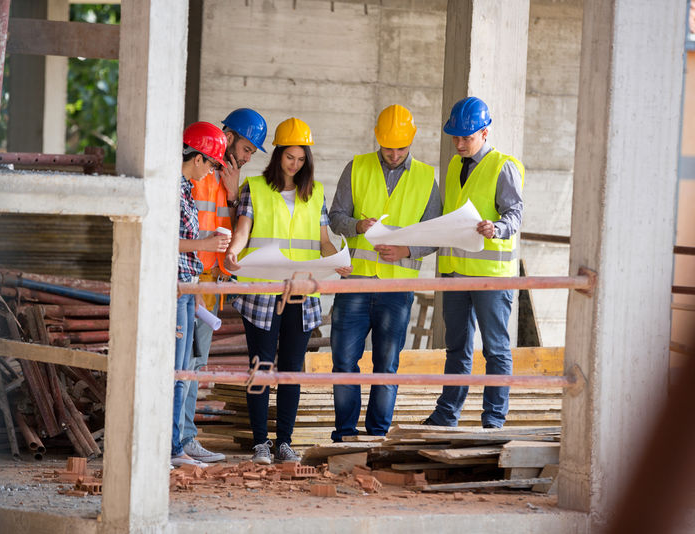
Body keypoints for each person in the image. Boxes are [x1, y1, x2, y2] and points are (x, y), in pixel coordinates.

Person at [225, 118, 352, 464]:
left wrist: (338, 259)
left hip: (301, 292)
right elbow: (244, 228)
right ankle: (260, 443)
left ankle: (284, 442)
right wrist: (234, 251)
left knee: (293, 368)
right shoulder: (255, 187)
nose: (294, 164)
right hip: (262, 293)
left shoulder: (316, 194)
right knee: (261, 366)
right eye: (289, 157)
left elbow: (324, 242)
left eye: (300, 159)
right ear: (278, 155)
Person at [328, 104, 442, 442]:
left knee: (386, 366)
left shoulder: (425, 177)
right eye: (388, 147)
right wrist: (356, 225)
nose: (393, 155)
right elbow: (335, 217)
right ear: (378, 140)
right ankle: (345, 435)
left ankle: (377, 436)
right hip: (355, 283)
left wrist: (407, 250)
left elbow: (434, 232)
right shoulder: (357, 167)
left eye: (400, 148)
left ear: (411, 143)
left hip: (397, 286)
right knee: (344, 363)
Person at [422, 96, 525, 429]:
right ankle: (446, 414)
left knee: (495, 350)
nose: (460, 143)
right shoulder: (454, 165)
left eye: (467, 137)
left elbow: (515, 214)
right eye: (456, 137)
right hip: (455, 274)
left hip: (491, 277)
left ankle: (493, 421)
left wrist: (496, 228)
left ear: (485, 132)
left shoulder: (502, 166)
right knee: (456, 348)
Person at [179, 108, 268, 463]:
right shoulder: (196, 171)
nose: (247, 157)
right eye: (246, 149)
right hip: (187, 280)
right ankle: (179, 439)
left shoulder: (227, 181)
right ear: (228, 138)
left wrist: (233, 197)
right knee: (182, 364)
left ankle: (185, 438)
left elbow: (231, 234)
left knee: (194, 366)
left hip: (209, 285)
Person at [172, 121, 231, 467]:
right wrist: (205, 245)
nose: (211, 171)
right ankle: (173, 448)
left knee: (183, 371)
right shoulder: (173, 189)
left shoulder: (185, 189)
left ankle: (176, 446)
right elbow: (163, 239)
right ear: (197, 158)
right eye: (210, 164)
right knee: (177, 373)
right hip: (174, 290)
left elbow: (184, 255)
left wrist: (194, 291)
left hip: (185, 290)